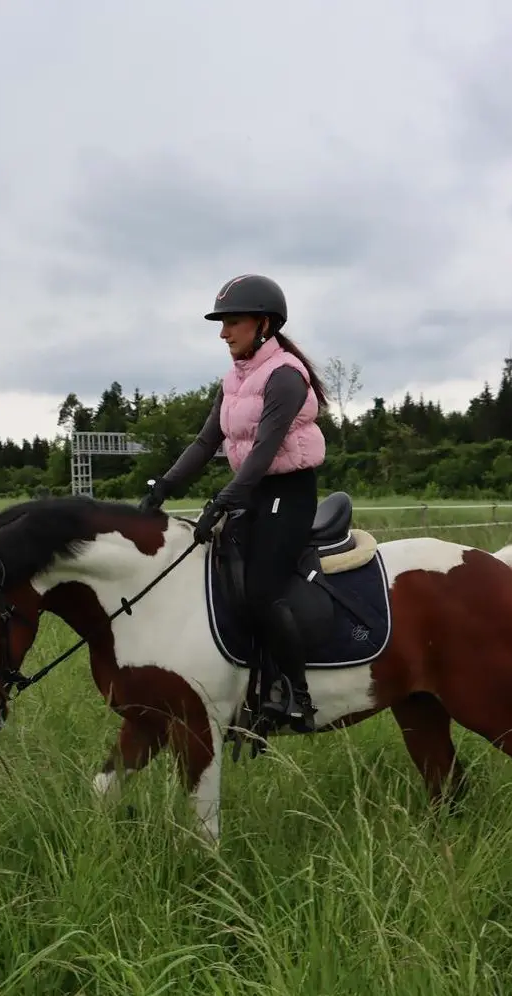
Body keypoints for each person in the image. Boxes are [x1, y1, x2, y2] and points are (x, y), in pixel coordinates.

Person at [140, 273, 328, 732]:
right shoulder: (233, 381)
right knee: (222, 581)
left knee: (262, 590)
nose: (224, 333)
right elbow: (206, 444)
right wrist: (163, 487)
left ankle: (298, 696)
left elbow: (264, 452)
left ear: (263, 324)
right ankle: (243, 687)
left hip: (288, 492)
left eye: (234, 323)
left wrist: (222, 502)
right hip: (251, 491)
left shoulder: (286, 377)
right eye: (222, 324)